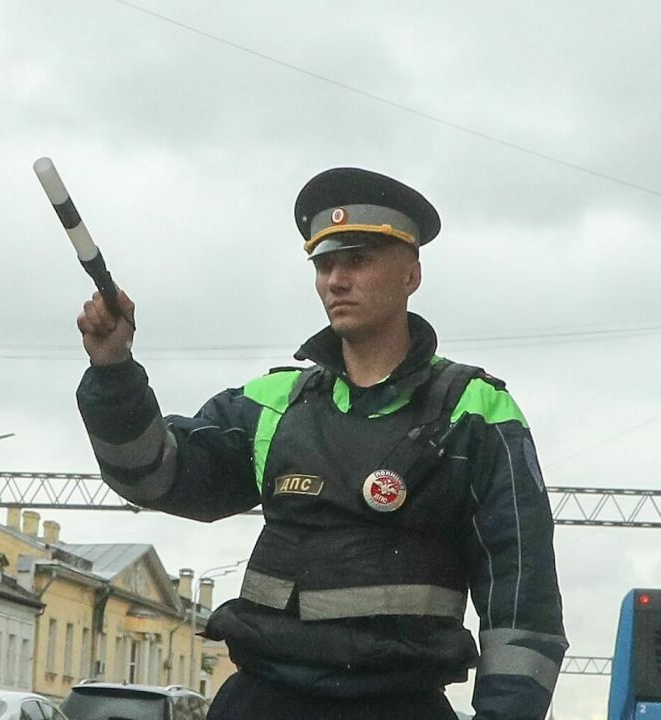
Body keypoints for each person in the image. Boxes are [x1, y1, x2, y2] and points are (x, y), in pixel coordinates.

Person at [76, 167, 567, 719]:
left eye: (356, 260)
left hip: (398, 705)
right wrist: (114, 369)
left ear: (411, 274)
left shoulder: (475, 412)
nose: (335, 280)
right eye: (324, 264)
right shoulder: (274, 403)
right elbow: (151, 475)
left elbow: (524, 605)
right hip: (261, 700)